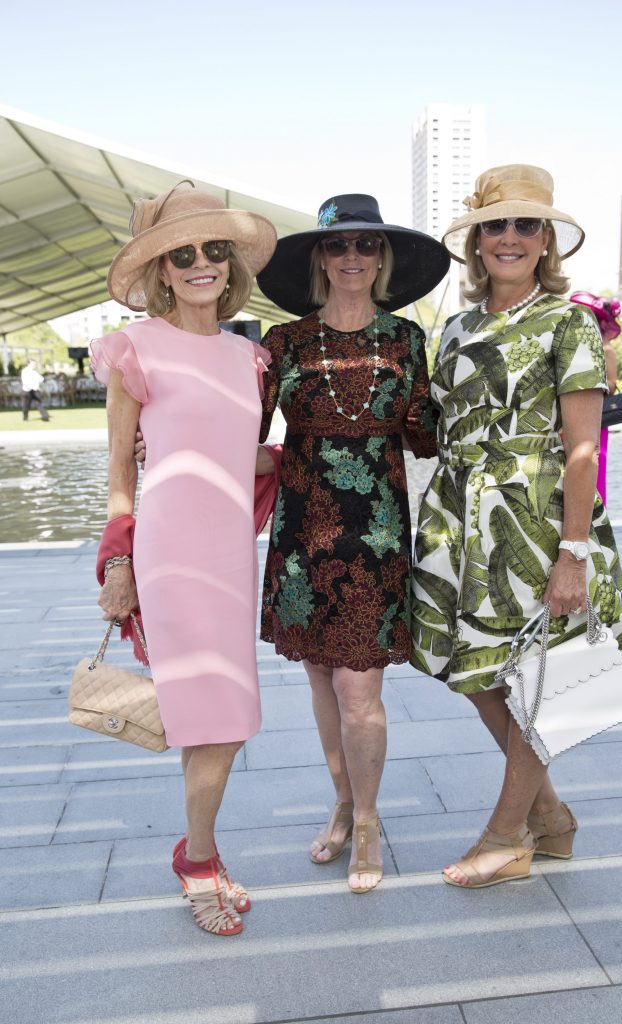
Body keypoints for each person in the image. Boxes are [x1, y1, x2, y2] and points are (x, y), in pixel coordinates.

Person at [410, 165, 622, 888]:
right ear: (476, 243)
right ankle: (551, 817)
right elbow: (432, 425)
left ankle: (506, 833)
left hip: (536, 522)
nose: (508, 238)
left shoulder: (566, 319)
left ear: (546, 241)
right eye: (494, 226)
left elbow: (580, 448)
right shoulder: (454, 326)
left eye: (524, 225)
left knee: (542, 676)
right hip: (457, 520)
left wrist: (572, 553)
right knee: (480, 674)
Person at [91, 181, 278, 935]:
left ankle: (197, 849)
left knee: (211, 718)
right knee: (220, 718)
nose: (200, 263)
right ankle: (198, 861)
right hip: (169, 556)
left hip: (232, 554)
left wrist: (302, 456)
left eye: (213, 251)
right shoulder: (133, 349)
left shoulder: (249, 356)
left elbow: (241, 455)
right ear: (162, 271)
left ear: (229, 266)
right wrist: (117, 564)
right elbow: (118, 474)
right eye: (182, 254)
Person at [256, 195, 450, 892]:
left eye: (366, 246)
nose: (351, 258)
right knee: (320, 680)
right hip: (303, 533)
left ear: (382, 259)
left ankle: (366, 819)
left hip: (375, 534)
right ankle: (341, 801)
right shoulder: (283, 343)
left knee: (358, 689)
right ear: (319, 259)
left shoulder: (408, 340)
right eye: (337, 248)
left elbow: (428, 434)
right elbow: (244, 434)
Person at [571, 292, 621, 504]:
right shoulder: (571, 346)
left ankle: (595, 515)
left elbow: (612, 385)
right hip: (571, 413)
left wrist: (590, 381)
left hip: (595, 416)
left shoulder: (605, 349)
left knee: (594, 464)